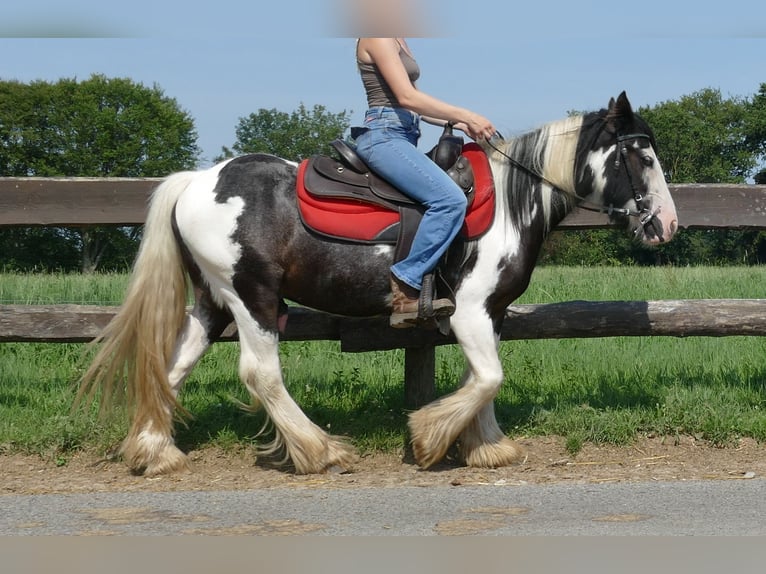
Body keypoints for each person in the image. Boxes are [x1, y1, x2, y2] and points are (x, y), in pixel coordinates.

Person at [353, 37, 497, 328]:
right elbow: (406, 98)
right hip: (384, 136)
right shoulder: (376, 36)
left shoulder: (398, 38)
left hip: (404, 134)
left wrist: (460, 124)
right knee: (449, 200)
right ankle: (405, 284)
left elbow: (416, 105)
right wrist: (466, 113)